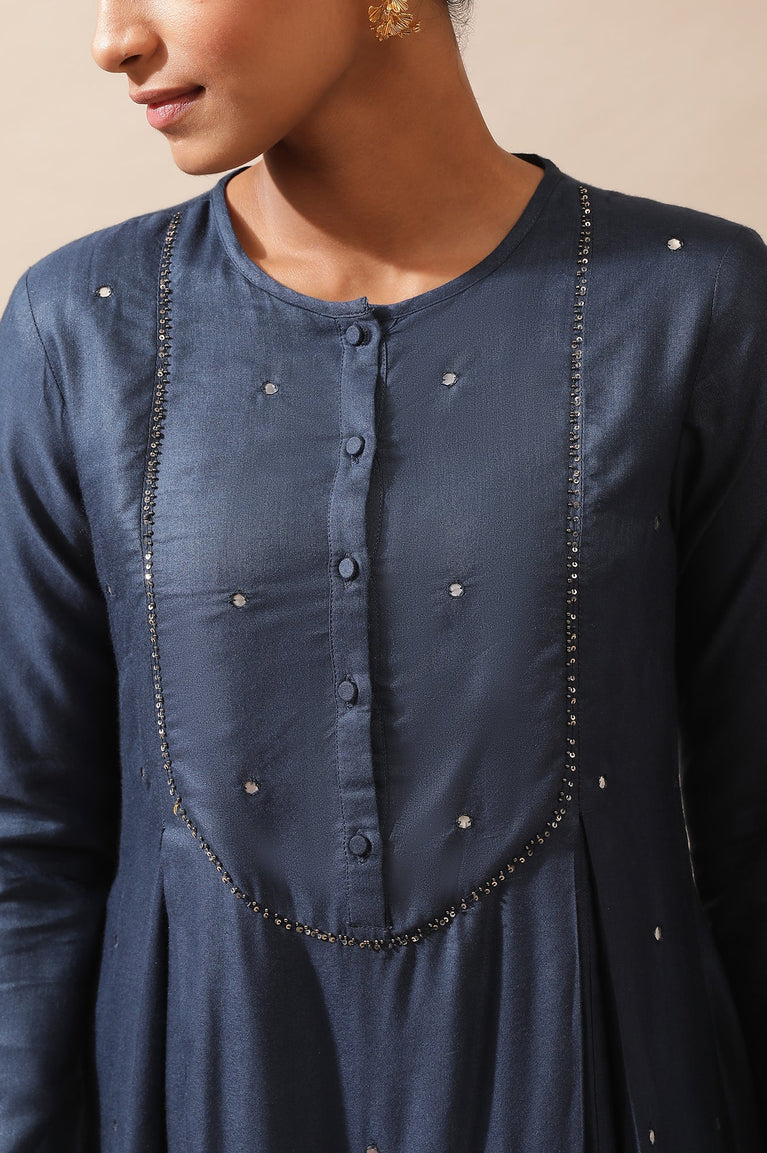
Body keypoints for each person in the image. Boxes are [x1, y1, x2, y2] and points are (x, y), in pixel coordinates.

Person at [0, 0, 765, 1150]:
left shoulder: (686, 303)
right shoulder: (83, 328)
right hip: (204, 1097)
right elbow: (26, 849)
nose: (115, 39)